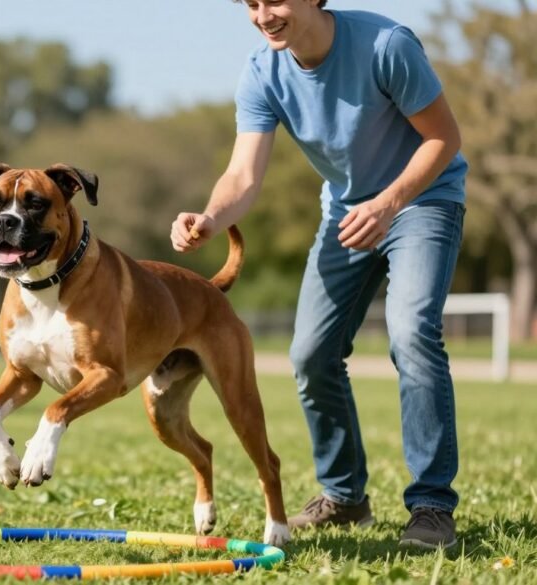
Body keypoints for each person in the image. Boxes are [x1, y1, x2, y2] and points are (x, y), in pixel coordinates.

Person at [170, 0, 467, 550]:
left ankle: (431, 507)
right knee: (310, 353)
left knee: (411, 334)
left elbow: (444, 138)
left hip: (423, 202)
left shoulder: (386, 46)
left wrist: (389, 202)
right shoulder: (263, 72)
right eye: (251, 4)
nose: (263, 16)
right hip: (347, 215)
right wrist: (210, 217)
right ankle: (345, 498)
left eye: (274, 1)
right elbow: (243, 174)